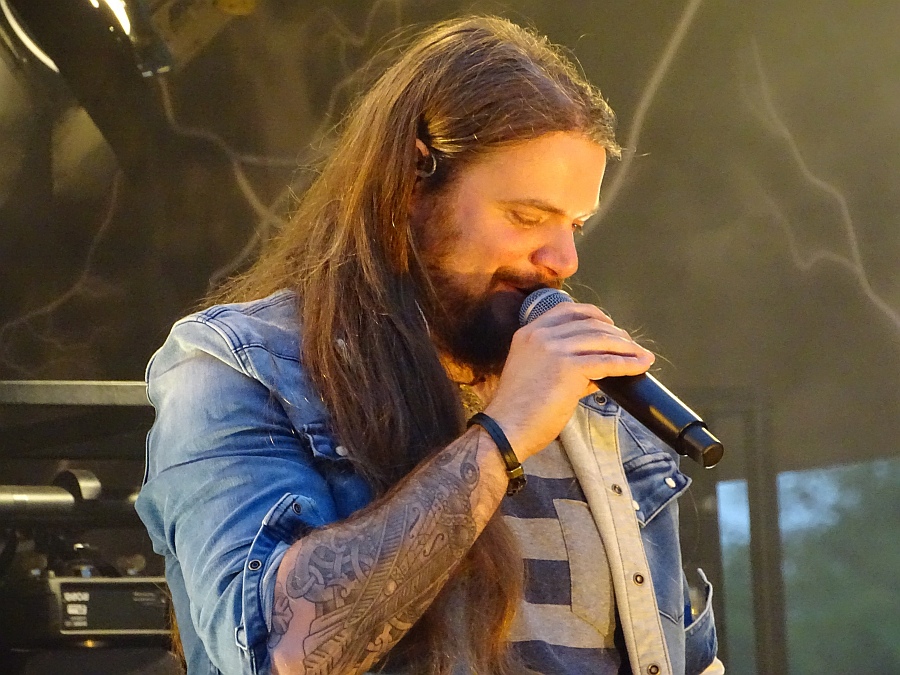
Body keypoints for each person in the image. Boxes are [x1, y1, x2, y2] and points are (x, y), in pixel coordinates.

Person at [136, 15, 724, 675]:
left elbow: (686, 656)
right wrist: (503, 435)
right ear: (412, 185)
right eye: (527, 216)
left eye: (575, 224)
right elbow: (281, 652)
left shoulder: (592, 401)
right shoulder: (235, 368)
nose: (563, 258)